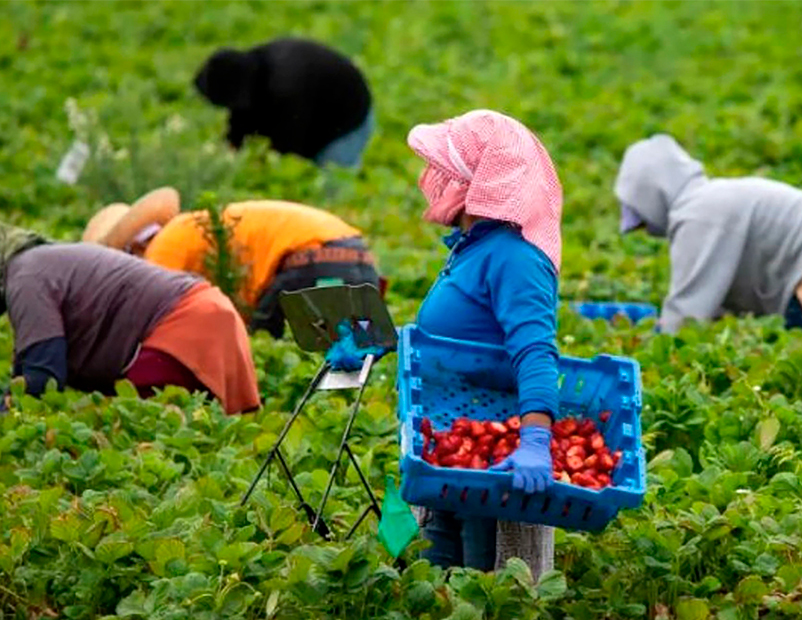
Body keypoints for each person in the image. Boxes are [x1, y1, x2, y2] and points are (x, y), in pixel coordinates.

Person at [406, 109, 563, 570]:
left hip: (493, 460)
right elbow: (464, 334)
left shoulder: (515, 258)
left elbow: (535, 349)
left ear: (482, 181)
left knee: (485, 585)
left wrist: (535, 439)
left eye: (450, 171)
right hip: (447, 448)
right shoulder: (473, 247)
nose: (435, 178)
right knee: (436, 588)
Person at [0, 218, 260, 414]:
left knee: (139, 431)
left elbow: (43, 369)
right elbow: (29, 364)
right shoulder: (37, 264)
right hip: (205, 314)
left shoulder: (26, 276)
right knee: (186, 431)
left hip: (185, 326)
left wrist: (1, 428)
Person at [614, 134, 802, 334]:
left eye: (642, 219)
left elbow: (688, 308)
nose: (646, 229)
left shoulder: (697, 215)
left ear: (653, 196)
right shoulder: (707, 202)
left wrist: (656, 351)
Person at [82, 187, 383, 338]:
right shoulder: (190, 228)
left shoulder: (164, 245)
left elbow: (152, 314)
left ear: (131, 248)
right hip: (358, 259)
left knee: (263, 348)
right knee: (354, 367)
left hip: (311, 265)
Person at [193, 37, 375, 168]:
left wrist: (260, 169)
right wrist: (231, 147)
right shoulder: (251, 69)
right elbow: (241, 117)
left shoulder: (286, 87)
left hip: (347, 122)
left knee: (331, 195)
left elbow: (288, 151)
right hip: (313, 110)